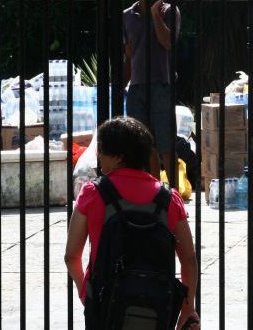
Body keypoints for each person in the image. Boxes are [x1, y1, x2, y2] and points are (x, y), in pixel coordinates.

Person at [64, 116, 199, 330]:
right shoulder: (169, 198)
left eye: (101, 150)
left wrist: (86, 293)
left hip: (104, 301)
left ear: (118, 156)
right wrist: (188, 308)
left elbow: (72, 256)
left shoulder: (92, 193)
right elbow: (189, 260)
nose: (98, 157)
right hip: (156, 304)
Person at [123, 0, 181, 177]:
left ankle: (173, 198)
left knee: (166, 144)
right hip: (137, 87)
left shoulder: (169, 11)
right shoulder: (127, 16)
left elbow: (167, 43)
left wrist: (155, 14)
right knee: (144, 145)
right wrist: (122, 82)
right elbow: (129, 54)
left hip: (161, 85)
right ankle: (153, 193)